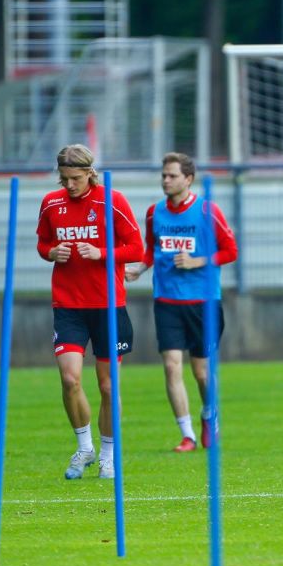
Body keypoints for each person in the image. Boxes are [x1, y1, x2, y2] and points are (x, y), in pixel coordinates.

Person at [37, 144, 144, 479]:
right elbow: (42, 243)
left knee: (108, 386)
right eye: (64, 178)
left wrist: (100, 253)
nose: (69, 185)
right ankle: (84, 448)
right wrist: (52, 252)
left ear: (89, 173)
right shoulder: (51, 203)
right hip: (68, 305)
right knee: (70, 379)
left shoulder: (111, 200)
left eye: (76, 178)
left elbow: (136, 248)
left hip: (108, 306)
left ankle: (108, 455)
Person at [126, 152, 238, 451]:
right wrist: (139, 268)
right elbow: (152, 250)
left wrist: (197, 261)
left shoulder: (207, 211)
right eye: (163, 175)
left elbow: (230, 251)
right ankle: (187, 434)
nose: (166, 180)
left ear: (188, 179)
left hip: (203, 303)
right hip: (166, 300)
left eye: (172, 175)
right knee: (172, 367)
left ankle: (208, 415)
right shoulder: (154, 213)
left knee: (201, 372)